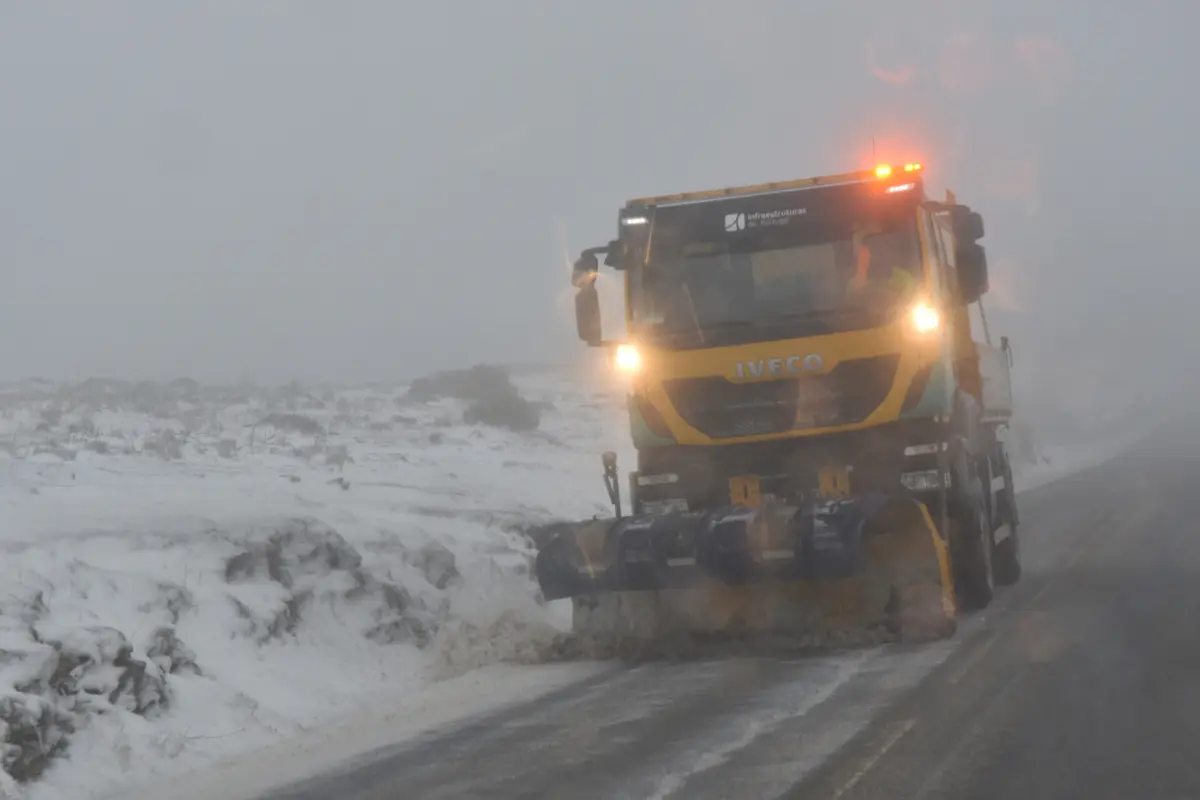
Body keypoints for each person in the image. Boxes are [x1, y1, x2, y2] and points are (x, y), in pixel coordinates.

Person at [846, 222, 919, 299]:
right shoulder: (855, 283)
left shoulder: (904, 280)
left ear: (887, 248)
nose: (877, 252)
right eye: (872, 246)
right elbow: (853, 305)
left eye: (880, 244)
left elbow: (913, 305)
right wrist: (862, 270)